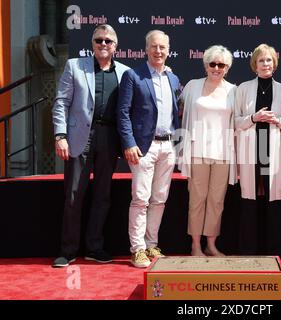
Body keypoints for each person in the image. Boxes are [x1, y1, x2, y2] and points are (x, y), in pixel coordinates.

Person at [52, 24, 129, 268]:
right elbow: (61, 103)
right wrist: (59, 135)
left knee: (103, 196)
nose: (103, 44)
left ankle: (95, 248)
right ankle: (68, 250)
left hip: (109, 137)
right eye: (99, 40)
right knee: (74, 194)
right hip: (78, 138)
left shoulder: (125, 73)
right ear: (92, 43)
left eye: (108, 40)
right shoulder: (75, 66)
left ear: (116, 45)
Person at [117, 30, 180, 268]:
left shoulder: (172, 79)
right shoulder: (134, 76)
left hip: (168, 145)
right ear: (146, 49)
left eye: (163, 47)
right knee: (140, 199)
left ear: (168, 50)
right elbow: (122, 113)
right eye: (154, 46)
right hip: (143, 147)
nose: (158, 51)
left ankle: (152, 244)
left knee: (159, 200)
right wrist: (129, 143)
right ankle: (137, 249)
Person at [178, 45, 237, 256]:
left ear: (227, 68)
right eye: (212, 63)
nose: (216, 68)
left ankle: (211, 245)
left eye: (221, 64)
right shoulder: (192, 86)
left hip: (223, 154)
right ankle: (195, 246)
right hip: (197, 152)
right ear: (205, 65)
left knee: (216, 201)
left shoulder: (233, 90)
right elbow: (179, 111)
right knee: (197, 200)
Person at [235, 44, 281, 256]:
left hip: (272, 149)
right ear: (254, 65)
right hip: (251, 147)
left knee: (273, 199)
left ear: (274, 64)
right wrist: (253, 118)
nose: (265, 64)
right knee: (250, 199)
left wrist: (277, 120)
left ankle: (274, 250)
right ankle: (248, 249)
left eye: (269, 60)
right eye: (261, 60)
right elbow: (235, 122)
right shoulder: (243, 88)